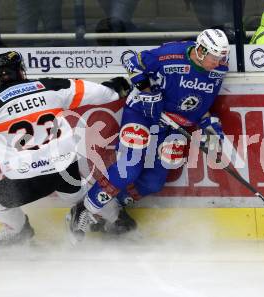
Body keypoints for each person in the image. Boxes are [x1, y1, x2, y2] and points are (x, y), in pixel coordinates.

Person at [67, 28, 230, 242]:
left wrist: (210, 127)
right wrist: (145, 92)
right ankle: (85, 209)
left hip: (172, 127)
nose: (219, 62)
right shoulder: (171, 54)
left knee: (154, 182)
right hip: (142, 114)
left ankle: (112, 207)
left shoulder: (217, 71)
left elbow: (201, 104)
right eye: (215, 57)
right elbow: (134, 62)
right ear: (200, 50)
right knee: (129, 167)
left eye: (222, 57)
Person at [0, 51, 132, 246]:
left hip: (27, 179)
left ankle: (20, 230)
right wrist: (116, 89)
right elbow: (98, 92)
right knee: (79, 195)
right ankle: (116, 219)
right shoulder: (49, 85)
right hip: (64, 167)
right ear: (21, 70)